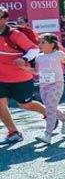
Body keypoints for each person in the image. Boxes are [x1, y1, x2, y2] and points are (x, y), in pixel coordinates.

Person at [0, 8, 48, 145]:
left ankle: (50, 115)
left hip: (20, 77)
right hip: (1, 77)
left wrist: (24, 59)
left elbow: (34, 49)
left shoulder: (14, 34)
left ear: (5, 19)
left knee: (26, 105)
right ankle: (13, 132)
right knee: (0, 104)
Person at [33, 34, 65, 143]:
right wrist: (23, 67)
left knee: (50, 109)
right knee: (50, 108)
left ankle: (47, 134)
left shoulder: (58, 54)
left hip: (56, 84)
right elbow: (36, 71)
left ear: (52, 44)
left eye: (43, 42)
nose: (40, 44)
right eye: (39, 42)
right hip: (43, 85)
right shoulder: (38, 57)